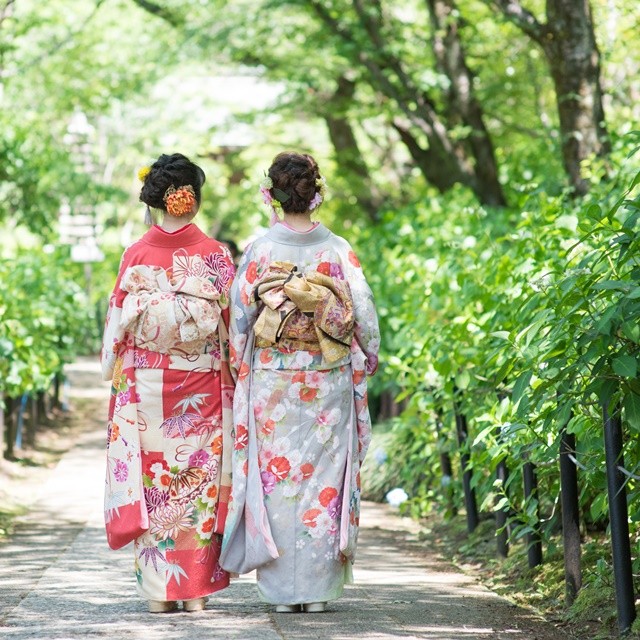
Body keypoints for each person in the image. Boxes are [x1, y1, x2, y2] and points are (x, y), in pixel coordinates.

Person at [220, 151, 380, 613]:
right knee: (324, 479)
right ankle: (317, 591)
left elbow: (240, 319)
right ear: (316, 193)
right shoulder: (337, 250)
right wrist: (369, 355)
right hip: (327, 380)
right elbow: (363, 313)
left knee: (276, 480)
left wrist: (239, 364)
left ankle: (284, 593)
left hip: (274, 381)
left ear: (271, 196)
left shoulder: (259, 251)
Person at [101, 153, 235, 613]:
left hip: (148, 387)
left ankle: (160, 592)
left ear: (158, 200)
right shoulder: (216, 254)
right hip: (201, 390)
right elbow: (231, 329)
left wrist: (113, 374)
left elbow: (116, 327)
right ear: (192, 199)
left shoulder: (135, 253)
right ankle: (193, 590)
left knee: (154, 478)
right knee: (197, 481)